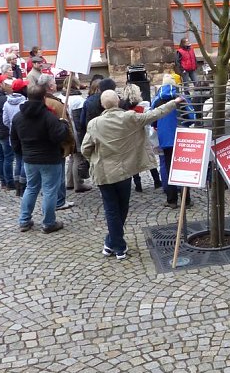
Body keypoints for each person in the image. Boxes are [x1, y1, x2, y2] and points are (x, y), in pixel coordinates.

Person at [82, 89, 182, 259]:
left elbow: (85, 148)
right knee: (121, 208)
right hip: (123, 171)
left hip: (103, 173)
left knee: (112, 209)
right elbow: (155, 114)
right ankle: (119, 248)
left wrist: (95, 158)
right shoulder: (129, 117)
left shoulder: (94, 124)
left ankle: (110, 243)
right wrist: (175, 102)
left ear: (101, 104)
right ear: (118, 102)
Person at [11, 84, 71, 233]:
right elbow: (58, 137)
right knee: (50, 190)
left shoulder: (18, 117)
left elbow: (14, 140)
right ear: (44, 97)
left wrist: (22, 153)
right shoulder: (49, 117)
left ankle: (24, 220)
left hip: (30, 159)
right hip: (50, 158)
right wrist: (63, 125)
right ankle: (49, 223)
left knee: (31, 188)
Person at [153, 75, 197, 208]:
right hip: (181, 137)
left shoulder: (157, 99)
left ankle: (171, 200)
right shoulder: (181, 98)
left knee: (168, 168)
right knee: (184, 168)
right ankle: (186, 200)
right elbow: (192, 117)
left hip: (165, 139)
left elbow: (152, 119)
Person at [38, 74, 76, 212]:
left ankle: (54, 198)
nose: (55, 84)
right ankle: (59, 201)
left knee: (47, 176)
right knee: (58, 175)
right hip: (56, 145)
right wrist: (70, 143)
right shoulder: (55, 103)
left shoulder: (39, 100)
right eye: (54, 82)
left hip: (40, 145)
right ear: (50, 86)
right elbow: (65, 125)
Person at [120, 83, 163, 191]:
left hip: (129, 136)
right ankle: (157, 180)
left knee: (133, 160)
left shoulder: (123, 108)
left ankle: (138, 184)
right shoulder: (143, 106)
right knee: (149, 158)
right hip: (142, 135)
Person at [2, 79, 27, 196]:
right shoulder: (24, 103)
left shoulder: (6, 103)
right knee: (24, 161)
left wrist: (12, 127)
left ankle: (17, 185)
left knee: (18, 161)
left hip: (13, 135)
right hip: (24, 134)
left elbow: (5, 120)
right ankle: (23, 186)